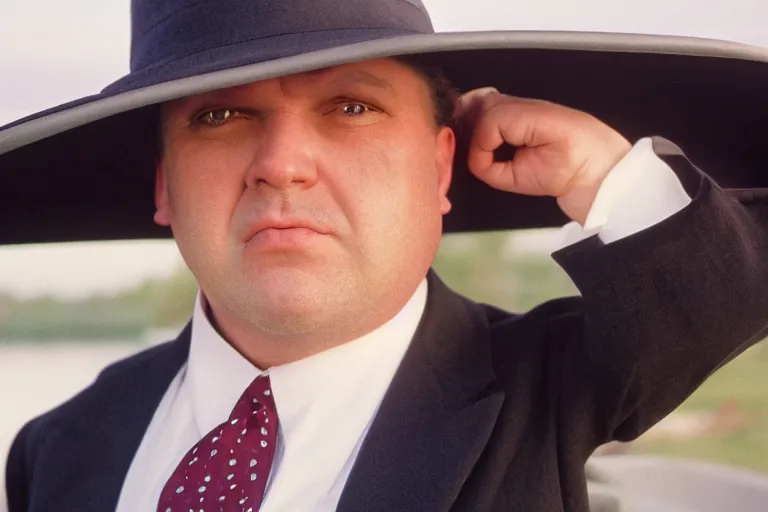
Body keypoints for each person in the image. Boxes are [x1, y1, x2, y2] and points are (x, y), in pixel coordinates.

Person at [2, 1, 768, 511]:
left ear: (440, 168)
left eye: (351, 107)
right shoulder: (56, 448)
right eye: (222, 114)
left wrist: (600, 172)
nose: (282, 163)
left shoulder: (547, 390)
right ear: (166, 187)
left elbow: (722, 296)